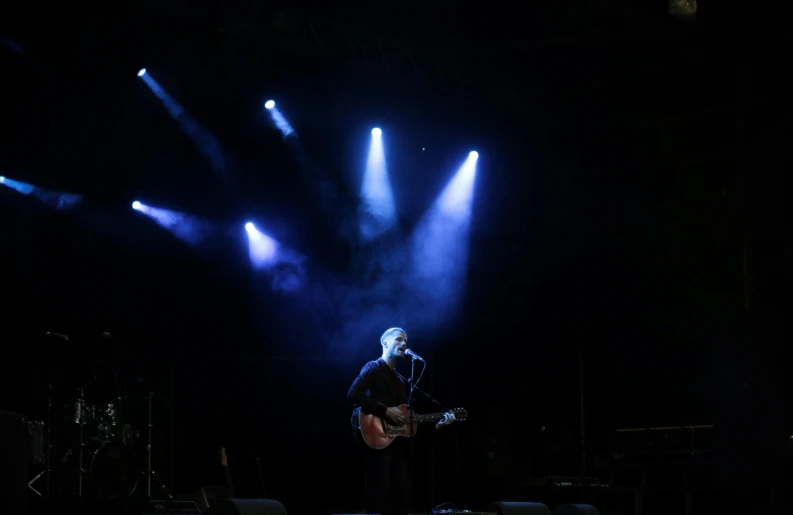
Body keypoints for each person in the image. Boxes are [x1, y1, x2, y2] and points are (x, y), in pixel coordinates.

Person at [347, 327, 452, 515]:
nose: (404, 343)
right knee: (380, 492)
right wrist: (384, 410)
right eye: (399, 339)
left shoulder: (400, 381)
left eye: (406, 341)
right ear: (385, 343)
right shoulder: (374, 367)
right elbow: (354, 393)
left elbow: (406, 420)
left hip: (395, 445)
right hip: (375, 440)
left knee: (402, 494)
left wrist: (438, 424)